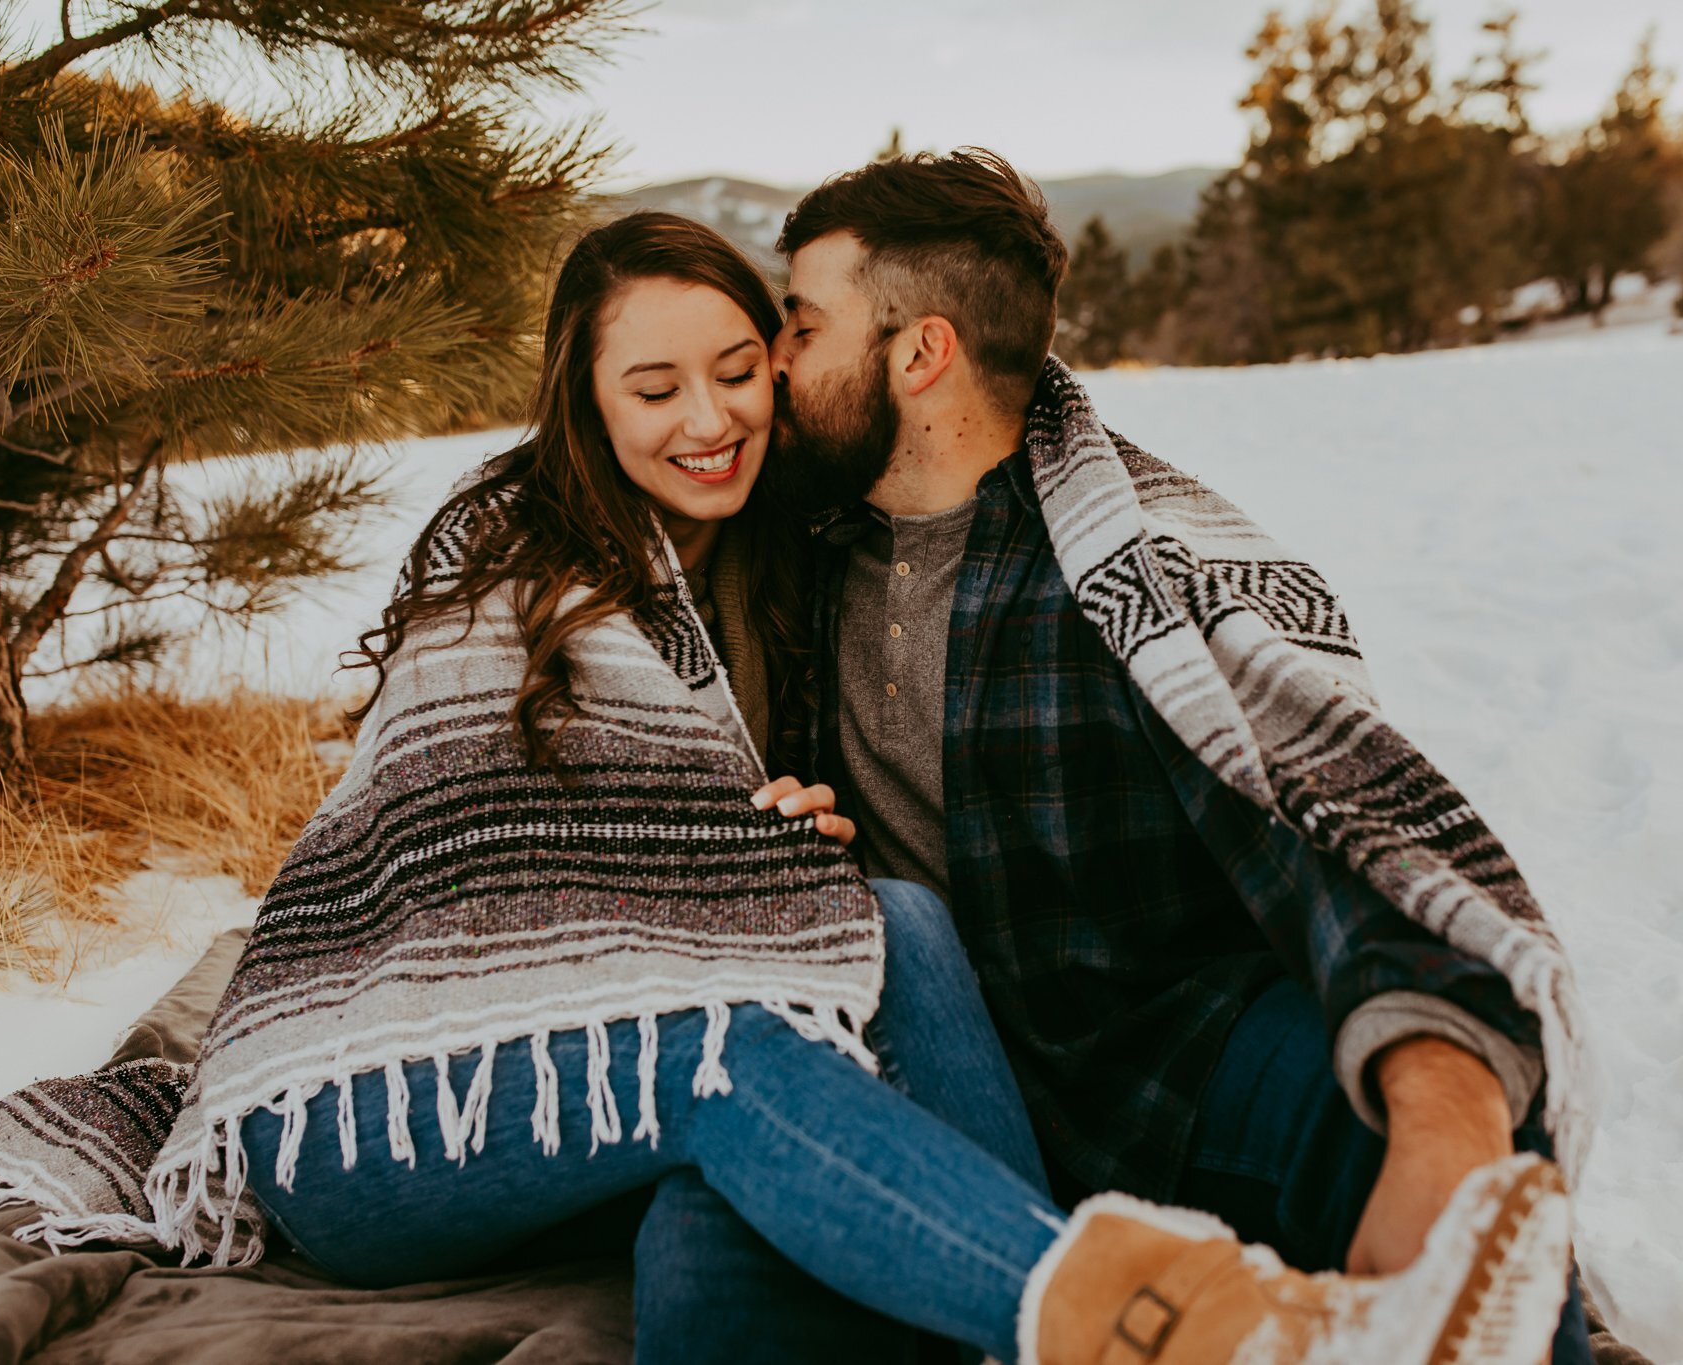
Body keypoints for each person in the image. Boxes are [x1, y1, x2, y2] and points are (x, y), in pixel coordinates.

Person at [0, 210, 1573, 1365]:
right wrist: (693, 862)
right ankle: (1153, 1327)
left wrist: (756, 852)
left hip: (683, 1065)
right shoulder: (510, 559)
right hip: (402, 1081)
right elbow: (459, 839)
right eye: (654, 389)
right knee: (737, 1061)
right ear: (579, 399)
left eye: (747, 356)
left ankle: (996, 1294)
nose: (717, 414)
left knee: (883, 942)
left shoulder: (795, 549)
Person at [628, 155, 1605, 1365]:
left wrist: (1443, 1122)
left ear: (918, 353)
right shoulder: (787, 543)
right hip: (908, 1073)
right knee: (697, 1249)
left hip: (1159, 1054)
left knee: (1459, 1167)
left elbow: (1328, 829)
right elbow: (589, 495)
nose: (772, 362)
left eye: (803, 324)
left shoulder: (1132, 572)